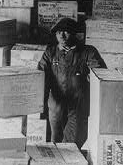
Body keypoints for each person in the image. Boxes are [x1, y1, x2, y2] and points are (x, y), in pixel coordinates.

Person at [37, 18, 106, 148]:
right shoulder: (50, 52)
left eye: (66, 32)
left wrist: (91, 76)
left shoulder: (88, 52)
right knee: (55, 140)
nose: (62, 36)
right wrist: (39, 103)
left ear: (74, 33)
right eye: (58, 32)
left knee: (71, 143)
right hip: (56, 104)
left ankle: (70, 164)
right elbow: (40, 75)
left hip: (77, 104)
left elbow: (100, 73)